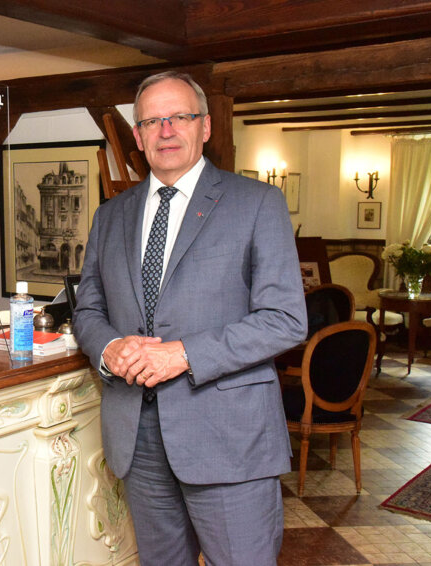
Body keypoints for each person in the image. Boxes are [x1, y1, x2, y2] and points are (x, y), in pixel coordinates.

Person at [73, 71, 307, 565]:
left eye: (179, 116)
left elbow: (285, 318)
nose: (166, 130)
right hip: (137, 437)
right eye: (152, 121)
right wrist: (108, 348)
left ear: (205, 127)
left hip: (229, 438)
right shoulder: (110, 216)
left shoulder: (257, 204)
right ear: (136, 137)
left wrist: (184, 355)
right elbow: (88, 309)